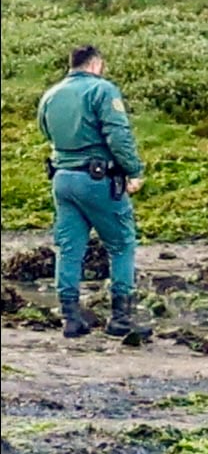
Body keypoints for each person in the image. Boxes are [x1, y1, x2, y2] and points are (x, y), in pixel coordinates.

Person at [36, 45, 149, 340]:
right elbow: (118, 134)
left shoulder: (50, 94)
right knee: (121, 243)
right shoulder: (103, 90)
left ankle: (71, 318)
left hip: (62, 177)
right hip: (97, 179)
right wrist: (134, 170)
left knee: (70, 248)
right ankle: (121, 318)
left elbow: (45, 132)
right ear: (96, 64)